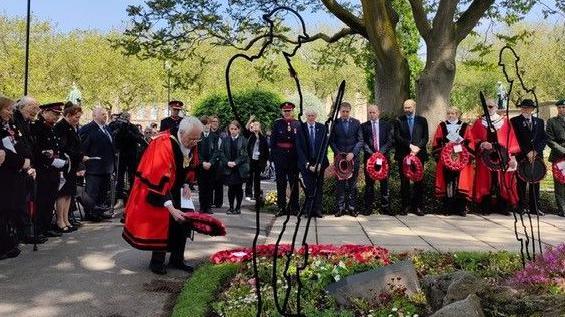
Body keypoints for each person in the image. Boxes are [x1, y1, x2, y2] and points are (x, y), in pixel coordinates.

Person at [123, 116, 202, 275]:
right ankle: (157, 262)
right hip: (158, 187)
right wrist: (170, 207)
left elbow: (188, 165)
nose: (194, 142)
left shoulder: (191, 141)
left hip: (177, 187)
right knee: (162, 223)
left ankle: (177, 259)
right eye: (192, 139)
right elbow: (158, 177)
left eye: (197, 139)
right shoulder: (163, 143)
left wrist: (186, 183)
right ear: (181, 132)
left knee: (182, 222)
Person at [471, 99, 519, 215]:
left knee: (502, 181)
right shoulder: (479, 122)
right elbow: (472, 138)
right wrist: (482, 143)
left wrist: (512, 157)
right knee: (486, 181)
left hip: (502, 157)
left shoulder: (505, 122)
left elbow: (511, 140)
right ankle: (486, 207)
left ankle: (503, 207)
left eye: (491, 106)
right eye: (487, 106)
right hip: (485, 158)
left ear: (496, 107)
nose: (489, 109)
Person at [0, 96, 32, 259]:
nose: (10, 112)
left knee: (9, 210)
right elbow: (3, 154)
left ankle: (9, 242)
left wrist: (26, 160)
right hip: (5, 174)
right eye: (7, 109)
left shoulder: (10, 125)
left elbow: (18, 144)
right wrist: (21, 161)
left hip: (15, 173)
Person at [12, 96, 45, 244]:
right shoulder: (15, 121)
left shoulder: (28, 123)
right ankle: (22, 233)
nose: (35, 111)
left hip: (29, 166)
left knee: (28, 201)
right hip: (19, 167)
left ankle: (27, 231)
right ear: (22, 107)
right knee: (21, 202)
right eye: (32, 108)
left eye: (36, 108)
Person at [31, 102, 67, 237]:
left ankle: (46, 227)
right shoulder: (38, 127)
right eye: (53, 114)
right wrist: (49, 158)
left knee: (50, 199)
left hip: (53, 169)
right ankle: (38, 228)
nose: (56, 117)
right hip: (43, 169)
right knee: (42, 200)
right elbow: (37, 149)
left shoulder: (51, 128)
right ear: (44, 112)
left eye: (58, 114)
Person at [431, 107, 475, 216]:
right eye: (449, 113)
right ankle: (447, 208)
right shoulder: (441, 126)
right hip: (446, 159)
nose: (451, 115)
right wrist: (443, 147)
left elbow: (470, 142)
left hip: (461, 160)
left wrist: (463, 148)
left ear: (458, 114)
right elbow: (437, 141)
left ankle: (461, 208)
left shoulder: (465, 126)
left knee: (460, 183)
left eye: (453, 113)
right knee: (448, 183)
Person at [510, 99, 547, 216]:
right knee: (521, 181)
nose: (525, 110)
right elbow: (515, 138)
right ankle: (521, 206)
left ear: (532, 109)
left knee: (535, 181)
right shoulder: (514, 121)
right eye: (523, 107)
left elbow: (544, 138)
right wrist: (527, 152)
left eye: (528, 108)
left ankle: (535, 208)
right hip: (522, 155)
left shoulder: (539, 121)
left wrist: (535, 151)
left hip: (536, 157)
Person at [79, 107, 115, 221]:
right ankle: (91, 213)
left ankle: (100, 211)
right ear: (95, 116)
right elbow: (83, 149)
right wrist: (82, 166)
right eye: (103, 114)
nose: (106, 116)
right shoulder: (87, 129)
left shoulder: (107, 128)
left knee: (103, 192)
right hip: (93, 167)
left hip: (106, 167)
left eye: (106, 114)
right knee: (92, 192)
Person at [53, 102, 85, 232]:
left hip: (72, 164)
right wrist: (79, 155)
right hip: (65, 164)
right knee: (63, 193)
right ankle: (60, 220)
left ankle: (66, 219)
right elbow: (63, 147)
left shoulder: (71, 127)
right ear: (68, 115)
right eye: (76, 117)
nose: (77, 120)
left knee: (68, 194)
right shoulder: (61, 127)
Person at [394, 99, 429, 216]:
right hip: (403, 155)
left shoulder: (422, 120)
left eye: (409, 107)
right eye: (405, 107)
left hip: (419, 155)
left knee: (418, 181)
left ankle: (418, 207)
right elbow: (397, 136)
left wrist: (417, 148)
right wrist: (410, 146)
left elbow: (425, 137)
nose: (406, 110)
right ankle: (405, 207)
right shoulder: (399, 120)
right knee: (404, 182)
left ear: (414, 107)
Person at [330, 102, 363, 217]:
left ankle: (352, 208)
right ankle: (340, 208)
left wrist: (353, 153)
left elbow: (360, 141)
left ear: (350, 111)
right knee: (340, 184)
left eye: (347, 111)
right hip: (340, 160)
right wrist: (339, 154)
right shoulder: (335, 123)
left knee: (352, 184)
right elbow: (331, 141)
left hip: (353, 159)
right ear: (340, 111)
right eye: (343, 111)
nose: (344, 113)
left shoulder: (356, 123)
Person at [361, 104, 393, 215]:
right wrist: (373, 154)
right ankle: (368, 207)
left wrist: (380, 153)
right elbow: (362, 142)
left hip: (383, 159)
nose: (372, 114)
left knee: (385, 183)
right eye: (370, 112)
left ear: (378, 112)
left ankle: (385, 207)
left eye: (374, 112)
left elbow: (390, 141)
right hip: (369, 159)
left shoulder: (386, 125)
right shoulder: (364, 126)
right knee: (369, 184)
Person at [270, 102, 301, 216]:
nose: (287, 113)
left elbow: (300, 143)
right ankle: (281, 208)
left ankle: (294, 208)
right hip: (280, 157)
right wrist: (273, 159)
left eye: (289, 111)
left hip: (293, 158)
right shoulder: (277, 124)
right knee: (280, 183)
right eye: (285, 111)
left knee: (294, 183)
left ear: (292, 111)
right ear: (282, 112)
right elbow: (273, 142)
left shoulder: (298, 124)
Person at [296, 109, 328, 218]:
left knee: (319, 187)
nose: (311, 117)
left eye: (313, 115)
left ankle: (318, 210)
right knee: (309, 187)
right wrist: (308, 165)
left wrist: (319, 163)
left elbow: (325, 147)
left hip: (319, 162)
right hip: (306, 163)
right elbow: (299, 148)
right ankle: (309, 210)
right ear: (306, 116)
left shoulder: (322, 128)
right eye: (309, 115)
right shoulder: (301, 128)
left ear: (316, 116)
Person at [111, 112, 146, 209]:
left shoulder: (133, 127)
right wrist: (121, 129)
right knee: (120, 177)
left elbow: (138, 138)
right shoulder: (116, 126)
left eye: (127, 117)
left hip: (132, 155)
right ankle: (119, 199)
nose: (126, 119)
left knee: (132, 177)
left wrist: (128, 131)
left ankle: (133, 197)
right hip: (121, 155)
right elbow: (115, 138)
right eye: (124, 117)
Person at [220, 121, 249, 215]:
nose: (233, 131)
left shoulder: (243, 140)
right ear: (229, 129)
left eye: (235, 129)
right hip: (229, 167)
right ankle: (231, 207)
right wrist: (227, 162)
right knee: (231, 188)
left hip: (239, 168)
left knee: (239, 188)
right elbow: (221, 153)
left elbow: (245, 154)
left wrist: (235, 162)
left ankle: (238, 207)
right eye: (231, 129)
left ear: (239, 130)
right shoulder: (225, 140)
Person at [197, 116, 220, 214]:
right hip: (201, 166)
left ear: (210, 124)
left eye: (208, 124)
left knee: (210, 187)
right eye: (204, 124)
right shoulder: (198, 136)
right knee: (202, 187)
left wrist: (210, 162)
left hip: (211, 166)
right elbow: (196, 152)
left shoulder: (215, 137)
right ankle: (202, 206)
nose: (206, 126)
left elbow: (216, 151)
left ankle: (208, 206)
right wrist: (203, 162)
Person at [243, 116, 269, 203]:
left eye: (257, 125)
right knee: (249, 177)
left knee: (257, 179)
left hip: (259, 161)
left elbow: (266, 152)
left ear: (260, 127)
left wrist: (265, 163)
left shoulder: (263, 138)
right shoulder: (251, 136)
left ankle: (257, 195)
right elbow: (245, 129)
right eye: (254, 125)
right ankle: (248, 194)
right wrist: (250, 120)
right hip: (251, 160)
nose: (255, 127)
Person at [546, 99, 565, 217]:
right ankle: (562, 209)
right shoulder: (551, 122)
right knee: (560, 184)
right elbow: (549, 140)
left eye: (564, 107)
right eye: (560, 107)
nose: (562, 109)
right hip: (559, 156)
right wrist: (563, 151)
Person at [209, 115, 224, 208]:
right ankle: (209, 201)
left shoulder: (222, 135)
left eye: (216, 122)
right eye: (213, 121)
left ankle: (218, 202)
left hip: (219, 162)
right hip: (209, 161)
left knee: (219, 183)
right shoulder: (206, 134)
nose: (215, 123)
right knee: (210, 183)